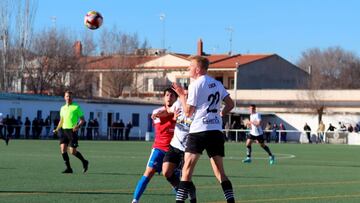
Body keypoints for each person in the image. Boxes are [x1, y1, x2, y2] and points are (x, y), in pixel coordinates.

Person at [172, 55, 235, 203]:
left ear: (198, 69)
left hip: (199, 131)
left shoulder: (195, 84)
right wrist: (221, 114)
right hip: (215, 131)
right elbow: (230, 104)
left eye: (190, 66)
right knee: (220, 173)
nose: (188, 69)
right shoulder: (217, 84)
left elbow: (188, 112)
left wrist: (181, 95)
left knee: (186, 170)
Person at [131, 87, 178, 203]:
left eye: (172, 95)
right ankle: (135, 200)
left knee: (174, 180)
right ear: (163, 97)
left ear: (176, 98)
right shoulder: (157, 112)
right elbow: (161, 128)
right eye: (167, 95)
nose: (169, 97)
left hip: (174, 150)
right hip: (159, 148)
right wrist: (173, 119)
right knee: (148, 173)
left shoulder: (180, 111)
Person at [53, 90, 89, 174]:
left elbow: (82, 120)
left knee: (72, 151)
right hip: (63, 131)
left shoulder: (76, 107)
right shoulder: (62, 108)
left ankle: (84, 161)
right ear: (64, 97)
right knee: (63, 149)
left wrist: (78, 126)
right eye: (67, 96)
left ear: (72, 98)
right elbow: (61, 120)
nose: (68, 98)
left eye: (70, 96)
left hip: (72, 131)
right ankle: (69, 168)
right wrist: (57, 129)